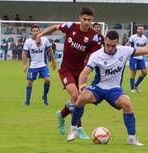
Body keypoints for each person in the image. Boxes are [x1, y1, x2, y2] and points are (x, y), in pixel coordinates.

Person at [67, 30, 148, 145]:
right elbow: (85, 73)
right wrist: (81, 85)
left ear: (118, 43)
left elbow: (145, 49)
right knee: (81, 98)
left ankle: (132, 138)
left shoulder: (124, 51)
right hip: (98, 87)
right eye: (107, 45)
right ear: (104, 42)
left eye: (113, 46)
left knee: (127, 103)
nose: (110, 48)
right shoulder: (96, 55)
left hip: (114, 89)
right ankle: (74, 129)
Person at [38, 7, 102, 140]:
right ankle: (79, 129)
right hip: (66, 69)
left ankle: (61, 115)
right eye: (84, 19)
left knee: (79, 99)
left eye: (89, 20)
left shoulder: (94, 36)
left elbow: (96, 56)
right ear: (80, 18)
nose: (86, 22)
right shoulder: (71, 26)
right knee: (75, 95)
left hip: (81, 72)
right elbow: (55, 27)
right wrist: (40, 35)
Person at [22, 25, 57, 106]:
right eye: (33, 31)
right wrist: (24, 65)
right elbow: (24, 53)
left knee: (47, 80)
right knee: (30, 82)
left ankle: (44, 96)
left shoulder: (45, 40)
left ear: (39, 31)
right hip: (33, 66)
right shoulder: (28, 42)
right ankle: (27, 101)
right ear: (31, 32)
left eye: (36, 31)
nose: (35, 32)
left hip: (43, 65)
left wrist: (53, 60)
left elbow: (50, 50)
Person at [127, 25, 148, 93]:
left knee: (144, 72)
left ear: (143, 30)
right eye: (139, 29)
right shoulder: (133, 37)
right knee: (133, 73)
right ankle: (132, 89)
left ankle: (136, 85)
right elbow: (128, 43)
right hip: (133, 57)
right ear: (137, 30)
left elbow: (145, 46)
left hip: (141, 57)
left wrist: (147, 52)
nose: (140, 30)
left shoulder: (144, 38)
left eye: (141, 29)